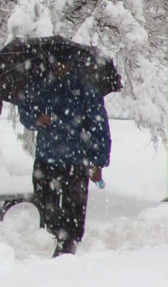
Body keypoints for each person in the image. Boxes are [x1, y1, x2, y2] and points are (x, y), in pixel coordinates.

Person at [18, 60, 111, 257]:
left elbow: (99, 127)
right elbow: (25, 109)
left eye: (64, 62)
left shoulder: (85, 89)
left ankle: (68, 243)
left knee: (74, 207)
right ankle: (61, 235)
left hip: (76, 160)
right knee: (45, 201)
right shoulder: (41, 84)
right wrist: (36, 118)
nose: (59, 66)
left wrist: (98, 161)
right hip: (47, 157)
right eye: (56, 62)